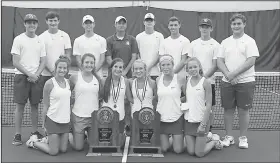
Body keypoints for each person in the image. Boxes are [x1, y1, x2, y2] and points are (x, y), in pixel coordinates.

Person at [217, 13, 259, 149]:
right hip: (227, 82)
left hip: (245, 82)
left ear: (244, 24)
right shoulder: (225, 42)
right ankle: (229, 137)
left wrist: (233, 74)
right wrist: (228, 75)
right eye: (234, 24)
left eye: (239, 23)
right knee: (228, 110)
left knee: (243, 110)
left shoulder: (250, 41)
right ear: (231, 25)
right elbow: (219, 61)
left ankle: (243, 138)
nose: (236, 26)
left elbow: (251, 60)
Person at [11, 14, 46, 145]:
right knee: (20, 106)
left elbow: (43, 61)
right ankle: (17, 134)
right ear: (24, 24)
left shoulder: (40, 40)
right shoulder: (18, 39)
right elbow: (15, 61)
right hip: (21, 77)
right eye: (29, 22)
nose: (31, 25)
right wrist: (29, 74)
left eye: (34, 22)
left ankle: (34, 132)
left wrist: (36, 74)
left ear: (37, 24)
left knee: (35, 106)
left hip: (36, 78)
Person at [25, 56, 71, 156]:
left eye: (64, 68)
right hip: (52, 121)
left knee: (63, 149)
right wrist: (43, 124)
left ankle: (47, 139)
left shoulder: (69, 83)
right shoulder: (49, 83)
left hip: (65, 122)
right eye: (60, 67)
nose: (62, 70)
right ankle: (34, 142)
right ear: (56, 68)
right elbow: (45, 105)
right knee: (54, 151)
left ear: (67, 70)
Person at [183, 57, 223, 157]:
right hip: (189, 121)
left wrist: (203, 124)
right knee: (191, 152)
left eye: (195, 67)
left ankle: (213, 141)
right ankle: (207, 138)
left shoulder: (206, 82)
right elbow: (186, 98)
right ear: (187, 70)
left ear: (199, 67)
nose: (193, 69)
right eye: (190, 67)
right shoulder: (186, 81)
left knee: (199, 153)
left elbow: (209, 104)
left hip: (202, 121)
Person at [187, 18, 220, 134]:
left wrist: (203, 79)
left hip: (208, 82)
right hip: (192, 83)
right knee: (193, 105)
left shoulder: (216, 45)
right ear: (199, 28)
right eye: (203, 26)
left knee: (209, 108)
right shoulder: (193, 44)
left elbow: (215, 65)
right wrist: (196, 78)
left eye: (207, 27)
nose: (204, 29)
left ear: (211, 28)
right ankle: (192, 127)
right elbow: (189, 61)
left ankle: (209, 130)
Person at [68, 53, 102, 151]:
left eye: (92, 63)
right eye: (87, 62)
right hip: (78, 117)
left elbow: (100, 98)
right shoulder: (74, 77)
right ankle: (70, 135)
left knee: (94, 146)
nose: (89, 65)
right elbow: (66, 93)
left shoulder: (98, 79)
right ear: (82, 64)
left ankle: (85, 135)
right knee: (78, 148)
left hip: (93, 118)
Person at [156, 55, 185, 154]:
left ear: (173, 65)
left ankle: (210, 139)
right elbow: (157, 97)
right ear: (160, 67)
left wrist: (178, 101)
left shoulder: (180, 78)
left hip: (177, 117)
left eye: (168, 64)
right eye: (163, 65)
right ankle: (172, 139)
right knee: (164, 149)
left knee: (178, 150)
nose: (165, 67)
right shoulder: (157, 80)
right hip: (162, 118)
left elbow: (187, 96)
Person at [102, 58, 133, 147]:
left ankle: (122, 132)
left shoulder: (125, 81)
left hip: (120, 116)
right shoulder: (103, 81)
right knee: (106, 146)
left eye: (121, 67)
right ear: (111, 68)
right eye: (116, 66)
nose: (118, 69)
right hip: (106, 117)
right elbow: (99, 98)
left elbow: (130, 98)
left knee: (117, 146)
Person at [39, 11, 72, 82]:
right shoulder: (41, 37)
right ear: (46, 21)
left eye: (55, 20)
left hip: (62, 74)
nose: (53, 23)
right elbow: (41, 57)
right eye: (50, 21)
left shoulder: (65, 35)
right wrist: (52, 71)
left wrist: (61, 70)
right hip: (45, 75)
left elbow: (68, 55)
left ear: (58, 21)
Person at [136, 13, 164, 80]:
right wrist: (143, 68)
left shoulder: (160, 36)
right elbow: (137, 54)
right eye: (147, 20)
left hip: (156, 73)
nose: (149, 22)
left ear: (154, 22)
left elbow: (160, 54)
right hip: (142, 72)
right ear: (144, 22)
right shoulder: (138, 37)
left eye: (151, 20)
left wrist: (149, 67)